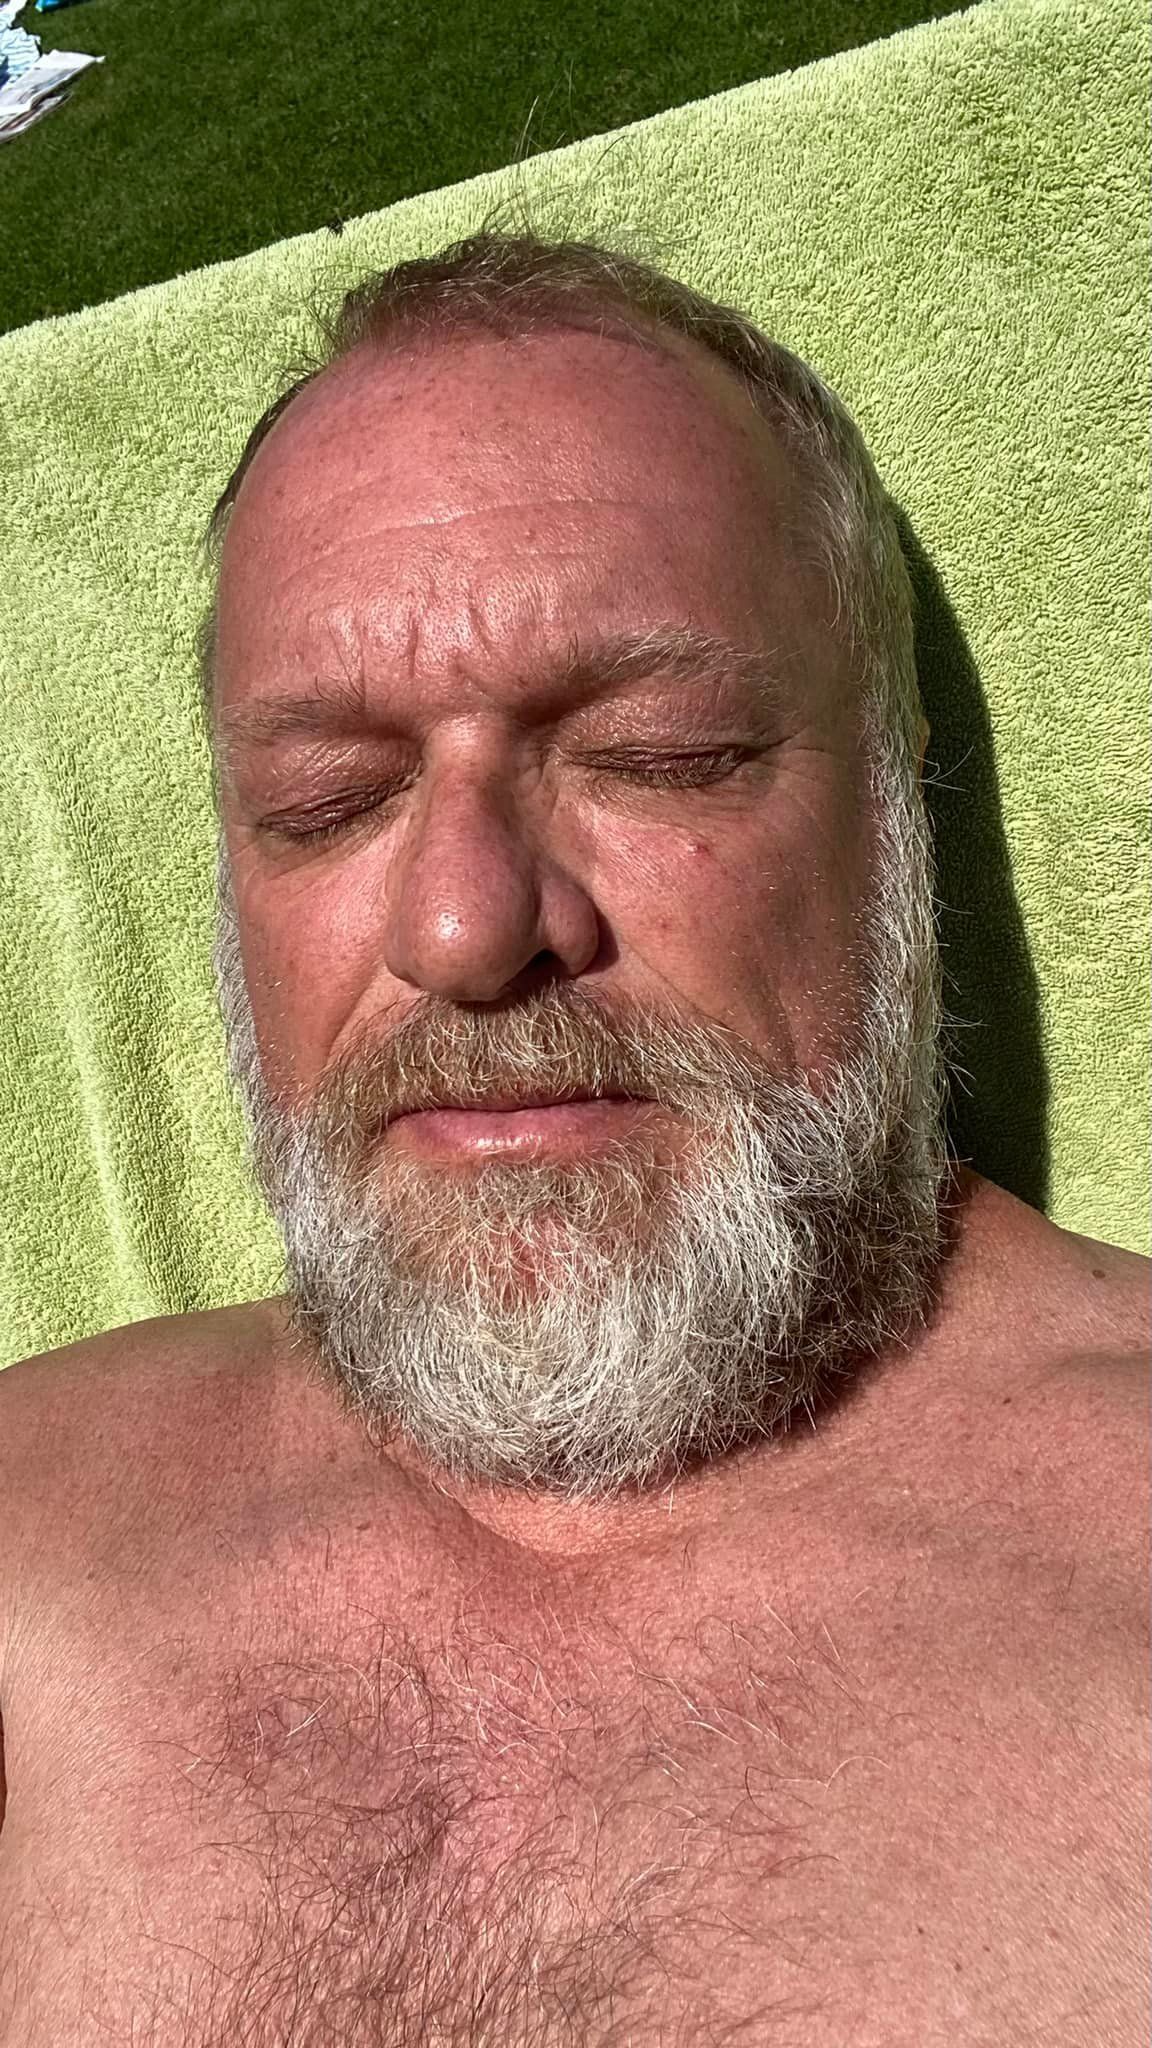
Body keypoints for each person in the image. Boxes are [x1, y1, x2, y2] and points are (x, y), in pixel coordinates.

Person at [0, 232, 1147, 2048]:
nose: (466, 929)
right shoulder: (33, 1542)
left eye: (661, 752)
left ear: (895, 796)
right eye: (326, 801)